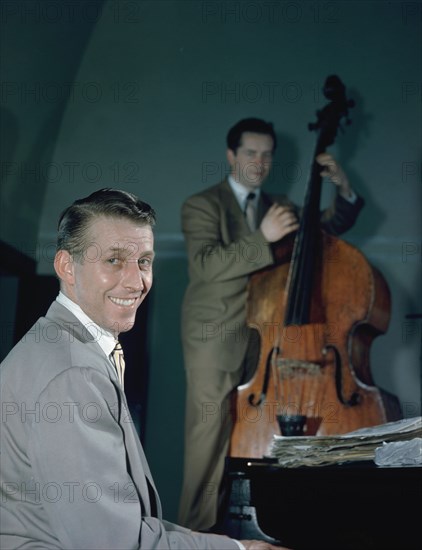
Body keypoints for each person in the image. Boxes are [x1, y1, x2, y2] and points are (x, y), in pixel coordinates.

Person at [0, 188, 290, 550]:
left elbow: (123, 525)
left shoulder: (60, 345)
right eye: (114, 261)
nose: (137, 282)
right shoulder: (72, 374)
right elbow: (114, 544)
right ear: (65, 267)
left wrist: (233, 545)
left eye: (145, 261)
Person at [178, 118, 365, 531]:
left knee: (252, 438)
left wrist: (343, 187)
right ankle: (194, 534)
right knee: (208, 442)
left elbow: (326, 228)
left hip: (265, 340)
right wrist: (261, 237)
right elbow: (206, 266)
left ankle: (243, 532)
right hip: (215, 338)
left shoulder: (278, 207)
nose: (259, 162)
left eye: (267, 154)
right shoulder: (202, 205)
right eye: (250, 153)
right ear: (231, 155)